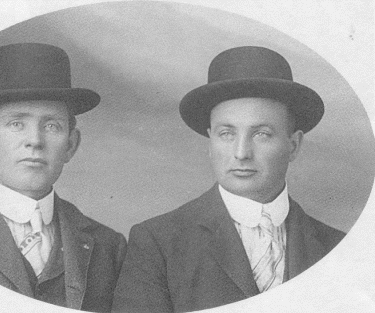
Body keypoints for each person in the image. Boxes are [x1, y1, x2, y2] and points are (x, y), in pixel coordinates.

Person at [112, 46, 345, 312]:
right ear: (210, 141)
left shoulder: (337, 247)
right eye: (226, 133)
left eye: (262, 134)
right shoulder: (158, 243)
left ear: (293, 145)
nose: (241, 153)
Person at [0, 43, 126, 312]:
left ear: (71, 145)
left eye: (52, 125)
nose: (34, 141)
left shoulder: (108, 247)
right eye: (17, 124)